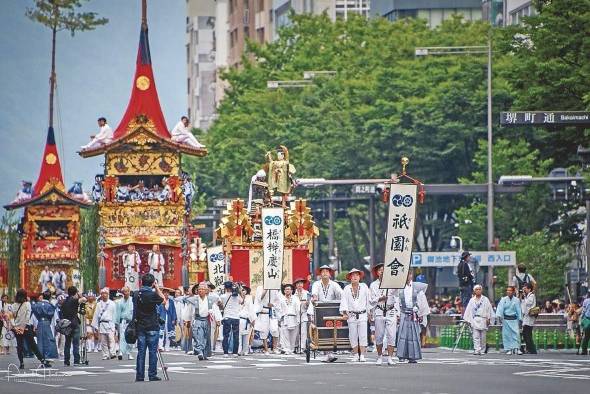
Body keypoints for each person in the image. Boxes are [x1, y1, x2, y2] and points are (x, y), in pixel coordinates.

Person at [134, 273, 165, 382]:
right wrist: (156, 288)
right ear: (152, 283)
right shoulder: (152, 295)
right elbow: (163, 300)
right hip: (152, 325)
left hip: (141, 326)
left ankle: (140, 375)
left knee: (141, 352)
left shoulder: (136, 294)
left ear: (142, 282)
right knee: (152, 352)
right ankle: (152, 374)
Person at [310, 264, 343, 362]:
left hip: (332, 310)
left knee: (331, 330)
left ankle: (330, 353)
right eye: (322, 271)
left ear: (330, 274)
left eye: (327, 271)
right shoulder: (316, 284)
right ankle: (326, 353)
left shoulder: (334, 284)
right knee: (321, 330)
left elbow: (341, 294)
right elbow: (314, 294)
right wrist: (314, 298)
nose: (325, 273)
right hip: (319, 310)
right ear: (320, 274)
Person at [369, 263, 400, 365]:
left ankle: (390, 357)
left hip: (391, 310)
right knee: (379, 335)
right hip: (379, 310)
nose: (382, 271)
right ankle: (379, 356)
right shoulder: (373, 285)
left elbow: (397, 297)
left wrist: (398, 312)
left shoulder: (392, 283)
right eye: (380, 270)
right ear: (377, 273)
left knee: (391, 335)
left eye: (384, 270)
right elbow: (371, 300)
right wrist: (379, 299)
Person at [396, 270, 429, 364]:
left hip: (414, 313)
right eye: (406, 274)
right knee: (402, 335)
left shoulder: (417, 287)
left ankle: (413, 356)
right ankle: (401, 355)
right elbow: (396, 301)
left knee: (414, 335)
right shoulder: (399, 288)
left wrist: (421, 314)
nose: (408, 276)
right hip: (403, 313)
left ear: (411, 275)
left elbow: (422, 300)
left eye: (409, 274)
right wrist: (397, 314)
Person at [11, 289, 50, 369]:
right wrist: (23, 327)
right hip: (26, 327)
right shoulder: (27, 304)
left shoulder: (13, 305)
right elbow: (27, 317)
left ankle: (21, 363)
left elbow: (11, 317)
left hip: (17, 328)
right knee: (32, 344)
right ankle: (42, 360)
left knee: (20, 345)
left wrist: (15, 327)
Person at [340, 269, 371, 362]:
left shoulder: (364, 286)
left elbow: (368, 300)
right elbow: (344, 301)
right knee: (353, 335)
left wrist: (370, 313)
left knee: (363, 335)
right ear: (350, 277)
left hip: (362, 314)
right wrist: (345, 312)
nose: (355, 277)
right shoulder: (346, 288)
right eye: (353, 275)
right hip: (351, 315)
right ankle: (356, 354)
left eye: (357, 275)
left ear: (359, 277)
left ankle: (362, 355)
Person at [184, 282, 218, 360]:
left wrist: (218, 319)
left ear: (206, 290)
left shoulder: (211, 300)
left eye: (203, 289)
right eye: (199, 289)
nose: (200, 291)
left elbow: (215, 310)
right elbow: (189, 311)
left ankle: (205, 353)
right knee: (199, 336)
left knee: (206, 337)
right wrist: (187, 320)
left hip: (207, 320)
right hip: (197, 320)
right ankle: (200, 352)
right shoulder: (193, 300)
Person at [463, 284, 493, 355]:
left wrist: (488, 318)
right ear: (474, 291)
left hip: (483, 318)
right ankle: (477, 349)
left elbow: (489, 309)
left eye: (479, 289)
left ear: (481, 290)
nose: (478, 291)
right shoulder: (472, 300)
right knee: (475, 336)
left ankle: (482, 350)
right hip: (475, 319)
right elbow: (468, 310)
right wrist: (468, 320)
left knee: (483, 337)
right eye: (476, 289)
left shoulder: (485, 299)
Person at [60, 286, 87, 366]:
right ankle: (76, 361)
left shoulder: (64, 302)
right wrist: (80, 295)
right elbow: (84, 300)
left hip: (66, 324)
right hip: (74, 323)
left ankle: (66, 361)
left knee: (67, 343)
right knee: (76, 343)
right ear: (75, 293)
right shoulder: (74, 300)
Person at [254, 285, 281, 355]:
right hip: (263, 311)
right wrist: (266, 289)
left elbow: (278, 301)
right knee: (264, 331)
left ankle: (274, 348)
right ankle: (266, 349)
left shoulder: (274, 288)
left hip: (272, 311)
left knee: (275, 329)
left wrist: (273, 304)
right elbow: (259, 298)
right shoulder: (259, 287)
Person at [496, 286, 522, 355]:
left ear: (513, 292)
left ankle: (517, 348)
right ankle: (508, 349)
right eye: (507, 290)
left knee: (516, 334)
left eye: (510, 290)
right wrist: (500, 318)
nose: (509, 292)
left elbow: (519, 310)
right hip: (506, 319)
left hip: (514, 319)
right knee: (507, 335)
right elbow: (500, 309)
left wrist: (520, 319)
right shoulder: (503, 299)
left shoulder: (516, 300)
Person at [92, 288, 117, 360]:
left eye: (105, 293)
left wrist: (115, 324)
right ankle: (105, 355)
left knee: (111, 339)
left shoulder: (112, 303)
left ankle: (113, 353)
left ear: (108, 294)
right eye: (102, 293)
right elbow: (96, 315)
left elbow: (115, 314)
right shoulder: (99, 304)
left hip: (110, 323)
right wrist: (96, 326)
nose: (104, 295)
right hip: (102, 324)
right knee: (103, 341)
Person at [220, 281, 241, 357]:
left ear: (225, 288)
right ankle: (235, 352)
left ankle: (225, 352)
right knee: (236, 335)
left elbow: (221, 306)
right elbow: (242, 302)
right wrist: (239, 290)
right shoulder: (237, 296)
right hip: (236, 317)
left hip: (227, 317)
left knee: (226, 335)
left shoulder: (223, 296)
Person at [278, 283, 300, 355]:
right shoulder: (281, 299)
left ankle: (292, 349)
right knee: (285, 334)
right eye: (286, 289)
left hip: (294, 317)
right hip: (285, 318)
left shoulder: (295, 298)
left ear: (292, 290)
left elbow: (298, 309)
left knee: (293, 335)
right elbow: (278, 309)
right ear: (284, 291)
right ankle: (287, 349)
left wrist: (298, 319)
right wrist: (280, 318)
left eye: (289, 289)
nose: (287, 290)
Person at [115, 286, 134, 360]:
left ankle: (129, 353)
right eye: (124, 292)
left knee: (131, 337)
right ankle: (121, 352)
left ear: (129, 292)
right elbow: (118, 313)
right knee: (122, 337)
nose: (126, 293)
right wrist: (116, 323)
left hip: (131, 321)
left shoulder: (133, 300)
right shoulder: (119, 302)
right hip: (123, 321)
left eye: (127, 291)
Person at [157, 288, 177, 352]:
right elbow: (158, 309)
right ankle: (160, 346)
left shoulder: (171, 301)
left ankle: (167, 346)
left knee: (168, 332)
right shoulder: (160, 300)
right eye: (165, 292)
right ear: (162, 293)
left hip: (169, 317)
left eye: (167, 293)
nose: (166, 294)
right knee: (161, 332)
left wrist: (174, 319)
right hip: (162, 317)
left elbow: (173, 310)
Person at [293, 278, 310, 354]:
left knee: (303, 332)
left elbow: (310, 305)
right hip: (295, 315)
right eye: (298, 284)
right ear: (296, 285)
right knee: (296, 332)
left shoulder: (306, 293)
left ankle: (303, 347)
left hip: (304, 313)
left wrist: (308, 303)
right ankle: (295, 346)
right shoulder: (293, 294)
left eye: (301, 283)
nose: (300, 285)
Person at [238, 285, 256, 356]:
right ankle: (239, 350)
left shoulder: (249, 299)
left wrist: (252, 320)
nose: (243, 291)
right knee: (238, 336)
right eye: (241, 290)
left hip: (245, 319)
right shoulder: (236, 298)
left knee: (246, 335)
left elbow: (251, 309)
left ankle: (245, 350)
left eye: (244, 290)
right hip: (238, 318)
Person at [521, 283, 537, 354]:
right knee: (526, 333)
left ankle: (532, 349)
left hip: (529, 317)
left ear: (529, 289)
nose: (524, 290)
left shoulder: (531, 296)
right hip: (526, 317)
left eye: (525, 288)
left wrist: (524, 296)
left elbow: (528, 303)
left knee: (527, 334)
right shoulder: (527, 296)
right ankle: (529, 348)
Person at [580, 291, 590, 355]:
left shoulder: (586, 301)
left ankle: (584, 350)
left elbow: (583, 311)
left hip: (587, 319)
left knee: (586, 336)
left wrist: (582, 319)